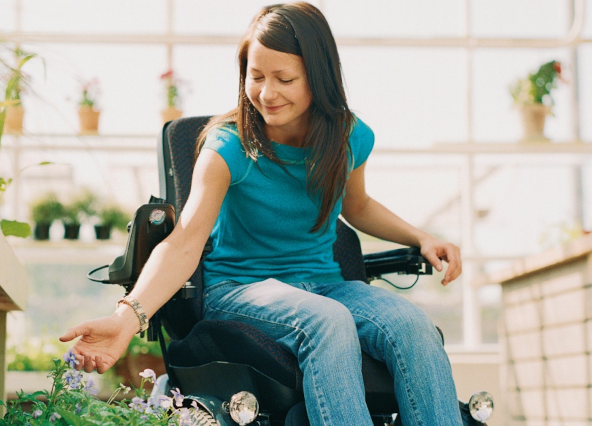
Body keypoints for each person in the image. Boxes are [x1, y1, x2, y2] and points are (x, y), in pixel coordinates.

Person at [61, 3, 464, 425]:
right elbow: (184, 241)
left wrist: (420, 236)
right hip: (239, 288)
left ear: (319, 77)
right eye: (256, 77)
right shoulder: (228, 146)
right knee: (328, 322)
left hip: (326, 284)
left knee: (413, 326)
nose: (267, 93)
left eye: (284, 78)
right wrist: (126, 319)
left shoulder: (347, 136)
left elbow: (356, 205)